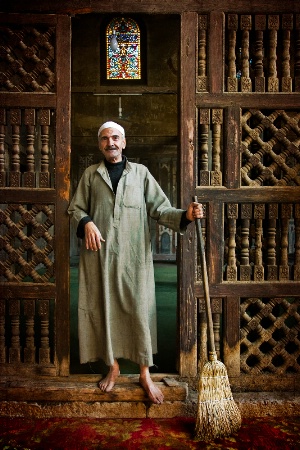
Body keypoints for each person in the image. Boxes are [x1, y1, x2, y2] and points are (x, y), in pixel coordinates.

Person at [68, 121, 203, 404]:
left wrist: (186, 215)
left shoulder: (141, 174)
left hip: (134, 259)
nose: (110, 143)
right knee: (104, 308)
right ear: (99, 145)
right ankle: (113, 367)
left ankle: (145, 374)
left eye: (115, 137)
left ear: (124, 142)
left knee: (140, 310)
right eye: (104, 139)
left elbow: (161, 209)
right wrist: (87, 221)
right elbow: (76, 208)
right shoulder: (91, 175)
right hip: (100, 258)